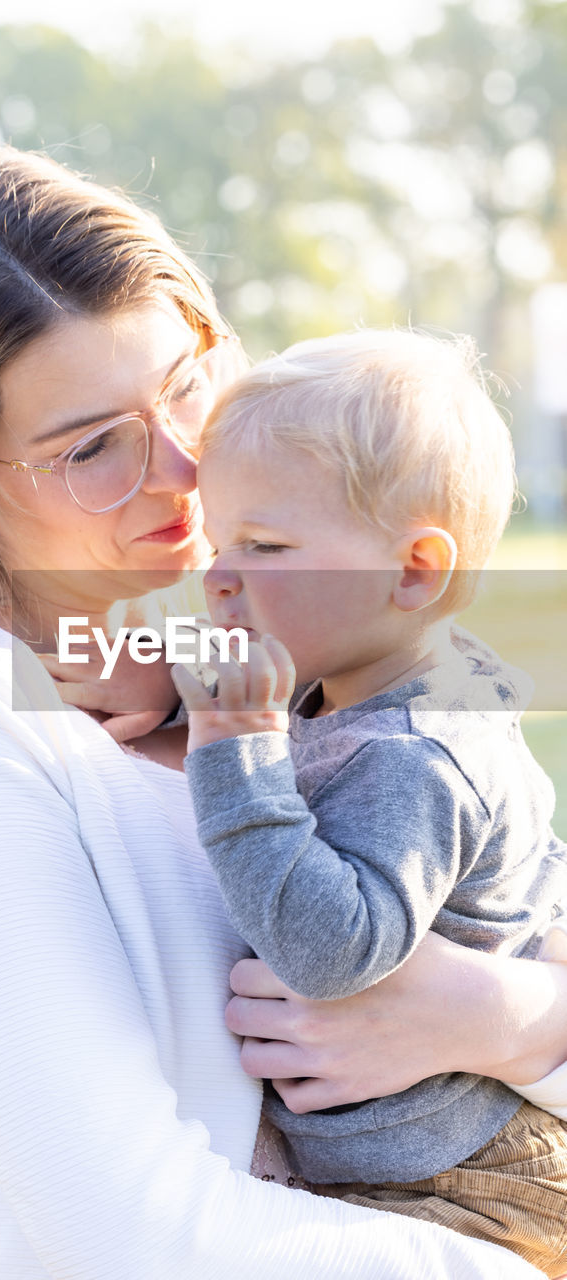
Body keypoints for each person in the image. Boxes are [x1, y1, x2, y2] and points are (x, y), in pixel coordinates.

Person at [0, 147, 567, 1279]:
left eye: (185, 384)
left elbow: (522, 884)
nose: (181, 468)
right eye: (91, 447)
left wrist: (500, 1012)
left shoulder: (309, 631)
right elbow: (134, 1232)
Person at [175, 328, 567, 1275]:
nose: (217, 574)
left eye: (263, 545)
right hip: (410, 1167)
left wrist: (235, 751)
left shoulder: (421, 755)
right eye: (218, 540)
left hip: (464, 1183)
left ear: (414, 573)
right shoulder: (356, 680)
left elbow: (330, 952)